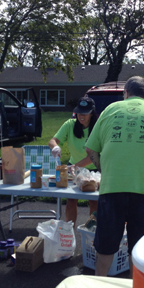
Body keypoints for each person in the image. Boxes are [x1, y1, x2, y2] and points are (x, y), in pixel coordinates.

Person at [85, 76, 144, 277]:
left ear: (126, 93)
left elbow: (90, 149)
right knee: (139, 251)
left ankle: (98, 286)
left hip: (112, 189)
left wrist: (106, 168)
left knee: (104, 249)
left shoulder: (110, 110)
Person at [48, 96, 98, 226]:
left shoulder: (98, 127)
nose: (81, 116)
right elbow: (52, 141)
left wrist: (75, 166)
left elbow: (94, 156)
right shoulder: (69, 124)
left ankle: (92, 231)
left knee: (94, 201)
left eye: (85, 113)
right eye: (79, 112)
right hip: (74, 168)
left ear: (92, 113)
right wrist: (55, 147)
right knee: (71, 199)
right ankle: (69, 229)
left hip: (94, 170)